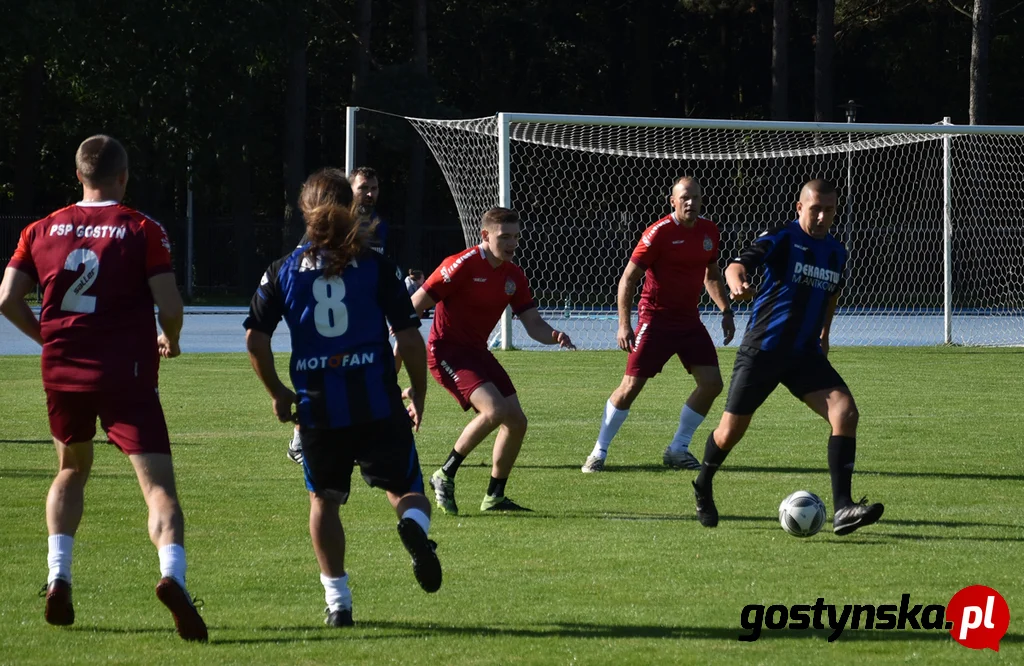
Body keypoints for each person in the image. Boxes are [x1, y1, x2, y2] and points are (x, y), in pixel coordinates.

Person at [0, 135, 207, 641]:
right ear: (124, 175)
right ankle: (172, 578)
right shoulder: (141, 228)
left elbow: (7, 297)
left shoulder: (40, 228)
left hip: (63, 371)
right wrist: (170, 339)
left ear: (78, 175)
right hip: (125, 373)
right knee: (158, 489)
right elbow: (172, 306)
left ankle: (58, 576)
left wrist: (46, 337)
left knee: (71, 470)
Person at [244, 168, 441, 628]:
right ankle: (415, 529)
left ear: (304, 212)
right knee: (407, 491)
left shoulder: (281, 271)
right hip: (376, 402)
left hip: (318, 408)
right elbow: (411, 341)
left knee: (324, 502)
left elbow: (255, 340)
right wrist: (420, 392)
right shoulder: (377, 267)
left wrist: (276, 392)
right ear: (350, 208)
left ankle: (339, 603)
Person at [691, 179, 884, 536]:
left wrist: (825, 333)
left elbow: (831, 296)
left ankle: (843, 507)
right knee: (731, 431)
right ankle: (703, 483)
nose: (822, 216)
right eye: (815, 209)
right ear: (799, 208)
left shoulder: (837, 252)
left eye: (829, 210)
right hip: (763, 350)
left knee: (846, 412)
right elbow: (736, 265)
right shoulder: (782, 237)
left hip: (804, 354)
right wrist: (737, 284)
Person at [411, 207, 576, 515]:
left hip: (477, 352)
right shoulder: (459, 265)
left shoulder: (513, 275)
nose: (512, 243)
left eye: (516, 236)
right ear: (485, 236)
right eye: (505, 237)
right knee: (496, 410)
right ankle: (444, 474)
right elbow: (414, 305)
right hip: (446, 352)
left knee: (517, 422)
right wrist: (399, 350)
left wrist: (554, 335)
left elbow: (532, 323)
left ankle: (494, 497)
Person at [581, 176, 735, 474]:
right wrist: (624, 324)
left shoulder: (709, 231)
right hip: (655, 320)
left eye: (696, 197)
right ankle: (598, 452)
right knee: (630, 387)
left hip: (689, 321)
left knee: (712, 384)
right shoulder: (658, 233)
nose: (691, 202)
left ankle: (678, 448)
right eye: (684, 198)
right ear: (673, 201)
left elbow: (712, 274)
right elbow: (628, 279)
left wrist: (725, 309)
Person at [287, 165, 389, 465]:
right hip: (326, 317)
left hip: (362, 314)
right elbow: (300, 263)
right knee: (321, 377)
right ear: (350, 191)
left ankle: (354, 441)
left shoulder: (379, 225)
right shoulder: (326, 222)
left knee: (359, 376)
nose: (369, 194)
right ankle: (299, 440)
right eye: (363, 189)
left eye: (374, 188)